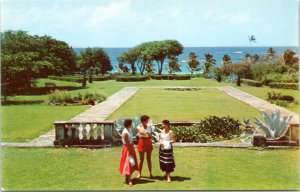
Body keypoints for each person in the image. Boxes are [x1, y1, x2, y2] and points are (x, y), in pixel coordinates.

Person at [119, 119, 138, 187]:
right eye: (131, 123)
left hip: (130, 147)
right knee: (128, 163)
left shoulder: (129, 130)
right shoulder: (125, 132)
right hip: (127, 149)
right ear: (129, 124)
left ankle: (127, 177)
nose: (132, 125)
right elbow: (127, 143)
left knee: (130, 163)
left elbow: (130, 140)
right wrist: (130, 150)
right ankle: (129, 180)